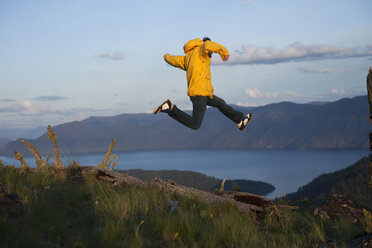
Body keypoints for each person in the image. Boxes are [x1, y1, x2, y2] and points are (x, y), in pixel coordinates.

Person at [153, 37, 252, 131]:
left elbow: (173, 60)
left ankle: (240, 121)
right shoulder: (202, 50)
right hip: (199, 95)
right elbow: (208, 45)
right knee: (195, 124)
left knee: (221, 103)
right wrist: (224, 52)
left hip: (206, 93)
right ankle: (170, 108)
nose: (211, 54)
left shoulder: (188, 58)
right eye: (211, 52)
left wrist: (166, 57)